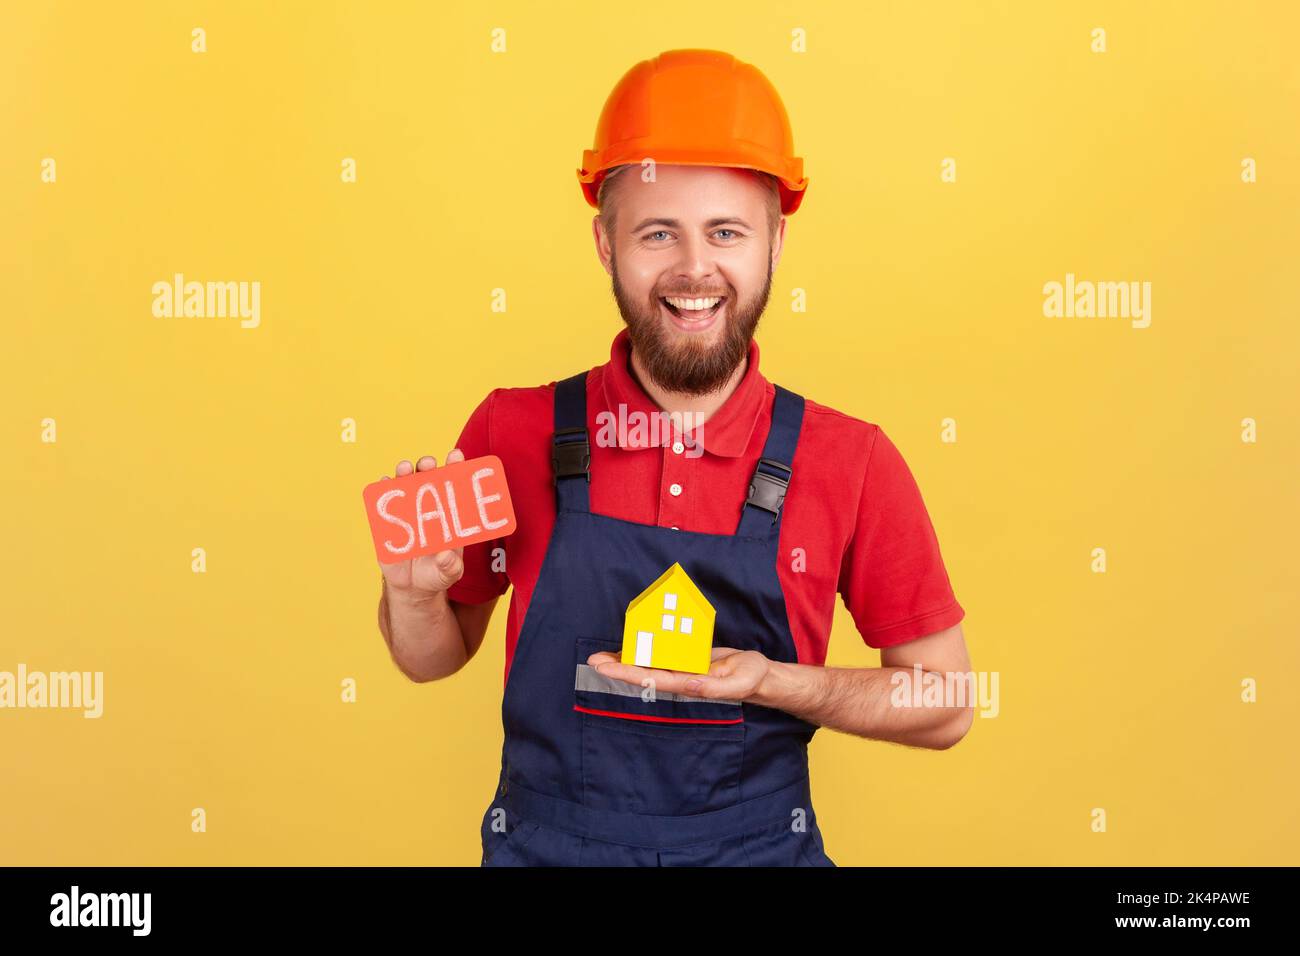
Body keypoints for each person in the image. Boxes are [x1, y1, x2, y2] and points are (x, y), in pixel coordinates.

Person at [375, 49, 972, 867]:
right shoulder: (512, 431)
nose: (695, 270)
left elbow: (945, 702)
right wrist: (413, 597)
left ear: (775, 243)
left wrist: (769, 681)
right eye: (659, 233)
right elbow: (432, 658)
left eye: (726, 231)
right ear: (604, 243)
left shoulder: (851, 459)